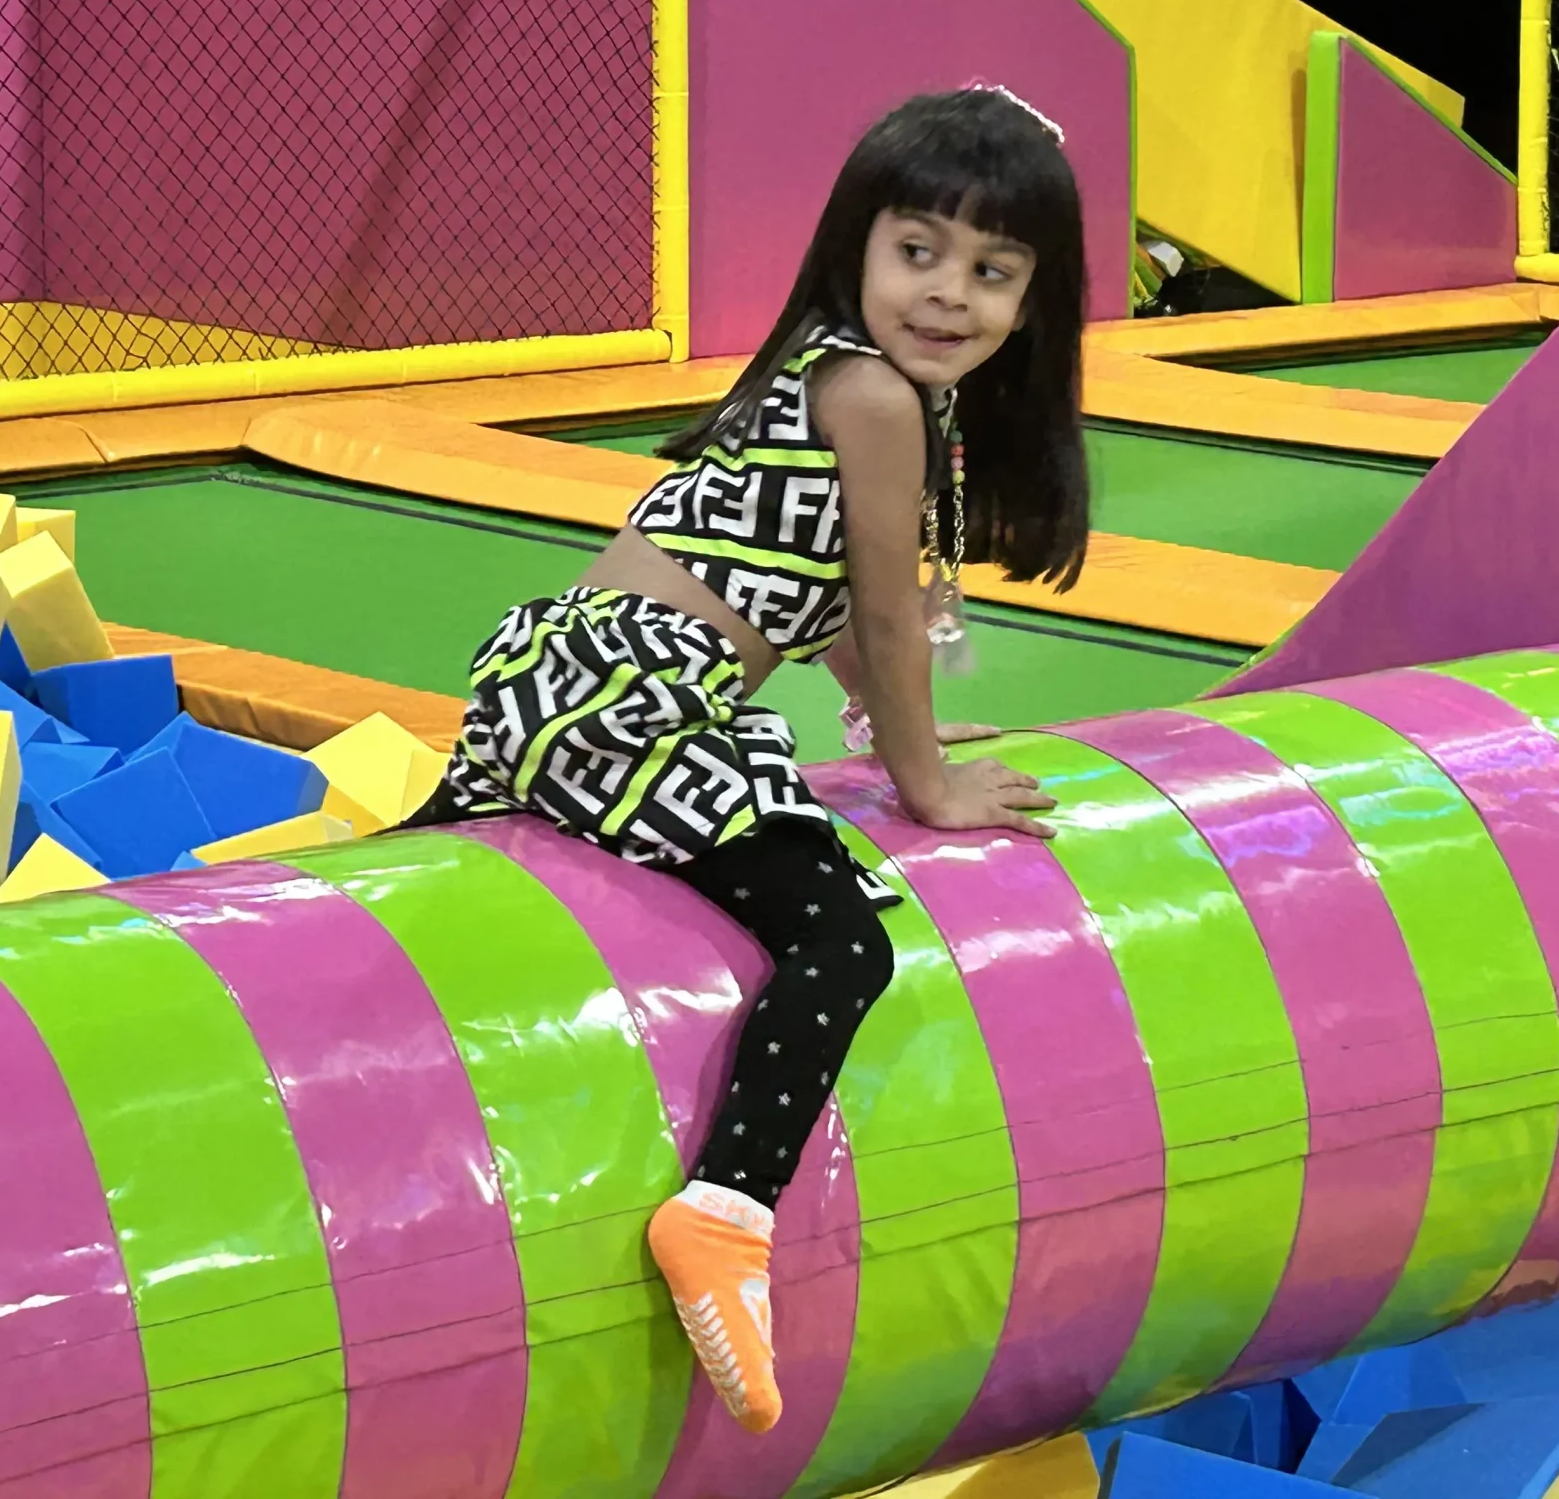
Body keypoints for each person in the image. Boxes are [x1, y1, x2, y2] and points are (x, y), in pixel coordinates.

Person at [401, 87, 1091, 1431]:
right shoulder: (877, 395)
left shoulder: (831, 371)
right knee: (849, 946)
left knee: (423, 881)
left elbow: (802, 590)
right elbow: (886, 609)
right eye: (920, 253)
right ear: (857, 245)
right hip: (635, 698)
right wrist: (923, 788)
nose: (950, 295)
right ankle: (724, 1216)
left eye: (993, 273)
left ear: (1033, 302)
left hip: (558, 676)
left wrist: (889, 725)